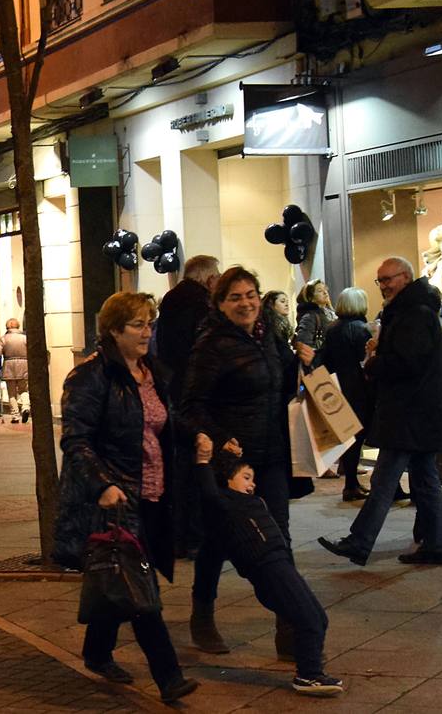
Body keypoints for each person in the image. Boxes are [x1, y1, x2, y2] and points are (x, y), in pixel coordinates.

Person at [53, 291, 197, 702]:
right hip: (116, 499)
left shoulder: (152, 373)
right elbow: (76, 440)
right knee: (142, 591)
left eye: (150, 324)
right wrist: (102, 484)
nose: (146, 333)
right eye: (137, 324)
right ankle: (169, 678)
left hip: (153, 493)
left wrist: (205, 437)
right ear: (113, 330)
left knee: (120, 575)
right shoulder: (90, 377)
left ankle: (97, 651)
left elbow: (167, 422)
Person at [181, 266, 297, 656]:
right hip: (231, 462)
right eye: (235, 297)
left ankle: (290, 625)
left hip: (272, 455)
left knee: (280, 539)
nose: (245, 303)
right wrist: (224, 451)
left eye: (250, 294)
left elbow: (278, 384)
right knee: (219, 541)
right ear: (220, 304)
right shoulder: (211, 344)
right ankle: (202, 612)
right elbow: (192, 406)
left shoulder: (267, 338)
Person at [319, 257, 442, 567]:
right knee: (425, 480)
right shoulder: (415, 311)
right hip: (417, 413)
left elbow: (408, 363)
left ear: (405, 277)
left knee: (384, 481)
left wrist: (374, 362)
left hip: (408, 412)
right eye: (379, 281)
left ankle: (360, 541)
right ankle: (435, 544)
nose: (383, 286)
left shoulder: (414, 314)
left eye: (388, 279)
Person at [194, 437, 344, 696]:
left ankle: (311, 669)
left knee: (318, 617)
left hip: (280, 563)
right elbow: (207, 491)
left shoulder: (251, 501)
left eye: (253, 479)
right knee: (307, 619)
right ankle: (308, 675)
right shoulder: (223, 504)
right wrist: (203, 461)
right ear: (227, 481)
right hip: (266, 569)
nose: (252, 484)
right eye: (246, 477)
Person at [155, 253, 220, 560]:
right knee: (199, 463)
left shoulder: (170, 300)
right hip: (197, 393)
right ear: (208, 278)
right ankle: (196, 534)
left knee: (179, 464)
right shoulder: (203, 305)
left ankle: (178, 534)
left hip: (174, 390)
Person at [318, 288, 374, 501]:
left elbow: (327, 360)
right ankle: (352, 484)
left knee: (349, 437)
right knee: (359, 437)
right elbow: (366, 360)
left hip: (339, 387)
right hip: (361, 389)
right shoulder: (361, 329)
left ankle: (350, 482)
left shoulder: (333, 329)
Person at [155, 255, 220, 405]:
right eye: (217, 276)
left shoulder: (172, 296)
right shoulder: (201, 302)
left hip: (172, 374)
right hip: (194, 377)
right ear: (208, 278)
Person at [293, 280, 335, 364]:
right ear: (310, 298)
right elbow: (304, 344)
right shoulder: (310, 317)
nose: (325, 292)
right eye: (320, 291)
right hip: (320, 364)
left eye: (325, 289)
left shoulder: (331, 313)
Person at [0, 318, 29, 423]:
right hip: (24, 365)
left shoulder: (3, 339)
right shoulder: (25, 338)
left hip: (9, 367)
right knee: (24, 390)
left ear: (7, 327)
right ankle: (25, 407)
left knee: (11, 394)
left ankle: (15, 416)